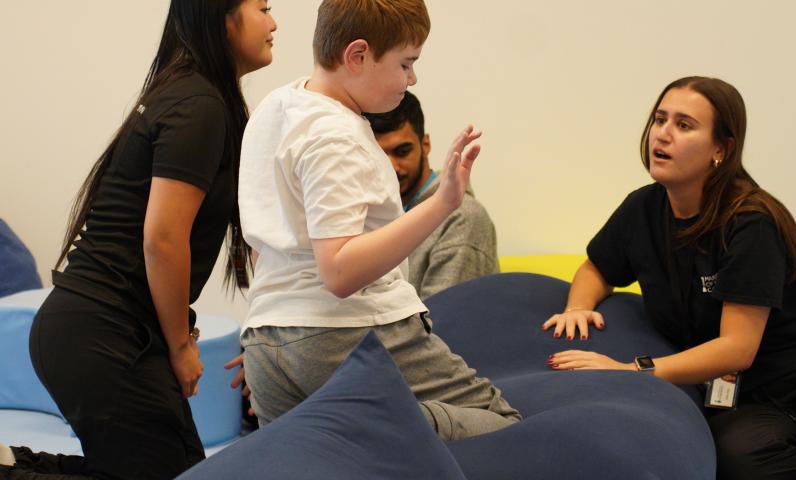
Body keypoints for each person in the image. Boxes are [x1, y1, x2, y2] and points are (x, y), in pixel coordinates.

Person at [0, 1, 276, 478]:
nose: (274, 23)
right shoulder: (199, 104)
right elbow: (163, 240)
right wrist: (181, 347)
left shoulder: (197, 97)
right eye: (263, 7)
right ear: (220, 15)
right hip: (100, 333)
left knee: (180, 470)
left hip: (99, 331)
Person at [238, 0, 521, 441]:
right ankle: (378, 428)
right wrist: (443, 201)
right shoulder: (336, 134)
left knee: (313, 462)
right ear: (358, 56)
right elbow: (339, 271)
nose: (412, 78)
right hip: (346, 332)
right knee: (504, 427)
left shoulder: (276, 108)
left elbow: (263, 243)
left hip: (264, 344)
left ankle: (357, 433)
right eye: (406, 63)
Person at [543, 76, 796, 479]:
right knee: (738, 457)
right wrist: (577, 307)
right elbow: (598, 267)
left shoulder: (749, 222)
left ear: (721, 149)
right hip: (749, 395)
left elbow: (738, 348)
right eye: (660, 119)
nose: (662, 134)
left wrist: (631, 370)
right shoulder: (643, 208)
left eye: (684, 125)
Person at [363, 91, 499, 299]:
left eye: (402, 151)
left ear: (425, 145)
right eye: (379, 156)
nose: (392, 167)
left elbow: (445, 319)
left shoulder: (462, 219)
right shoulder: (368, 212)